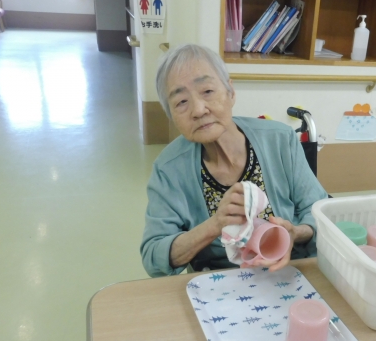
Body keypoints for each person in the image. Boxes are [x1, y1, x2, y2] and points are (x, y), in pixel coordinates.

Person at [140, 44, 328, 277]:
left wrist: (296, 233)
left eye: (207, 91)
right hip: (220, 282)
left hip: (291, 271)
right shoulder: (168, 169)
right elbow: (153, 257)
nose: (198, 110)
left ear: (231, 92)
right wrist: (215, 225)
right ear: (171, 115)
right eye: (181, 102)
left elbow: (320, 211)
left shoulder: (280, 139)